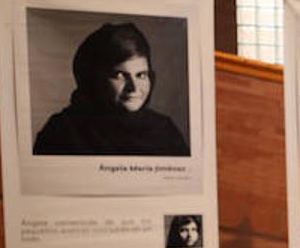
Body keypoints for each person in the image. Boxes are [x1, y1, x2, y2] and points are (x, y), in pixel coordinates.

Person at [33, 22, 189, 156]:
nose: (134, 88)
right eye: (120, 75)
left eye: (141, 75)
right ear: (93, 79)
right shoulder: (62, 132)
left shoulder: (164, 131)